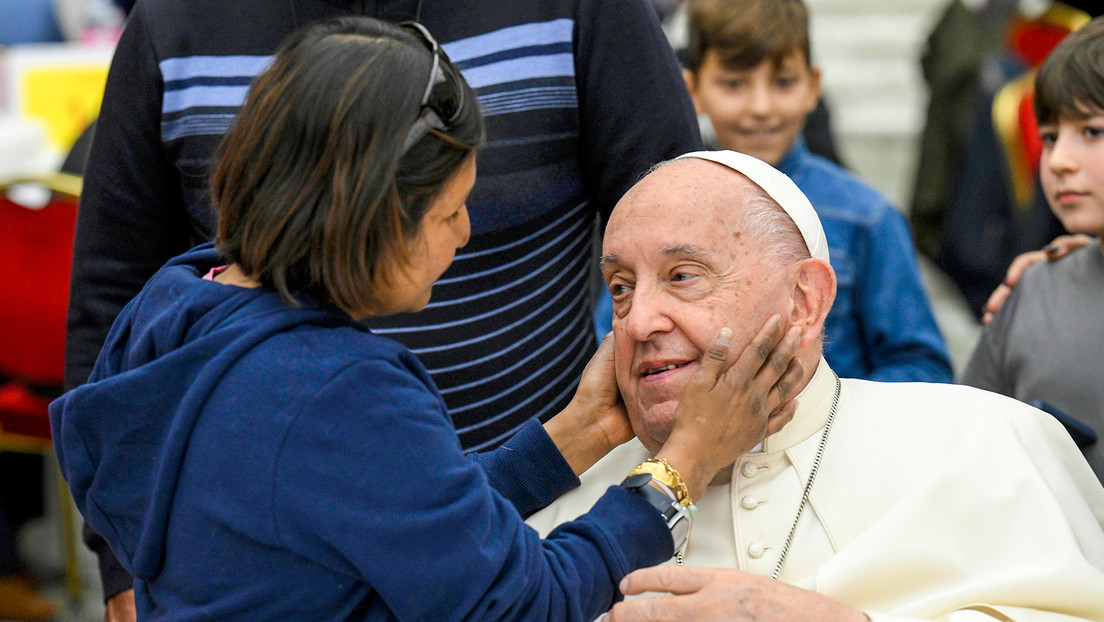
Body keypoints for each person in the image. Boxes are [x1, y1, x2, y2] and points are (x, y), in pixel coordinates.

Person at [50, 19, 802, 620]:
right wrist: (684, 466)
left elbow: (399, 514)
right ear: (371, 216)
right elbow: (524, 602)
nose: (466, 233)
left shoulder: (183, 299)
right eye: (448, 211)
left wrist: (581, 434)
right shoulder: (340, 390)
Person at [526, 150, 1104, 621]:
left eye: (683, 276)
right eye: (621, 286)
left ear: (806, 300)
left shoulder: (984, 443)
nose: (638, 321)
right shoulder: (557, 505)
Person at [678, 0, 952, 383]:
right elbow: (615, 337)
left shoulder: (866, 217)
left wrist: (834, 413)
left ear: (813, 87)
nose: (760, 107)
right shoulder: (665, 213)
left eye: (783, 82)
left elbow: (923, 365)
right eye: (733, 84)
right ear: (694, 91)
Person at [962, 16, 1104, 482]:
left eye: (1091, 131)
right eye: (1049, 137)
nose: (1059, 160)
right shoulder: (1033, 290)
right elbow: (968, 457)